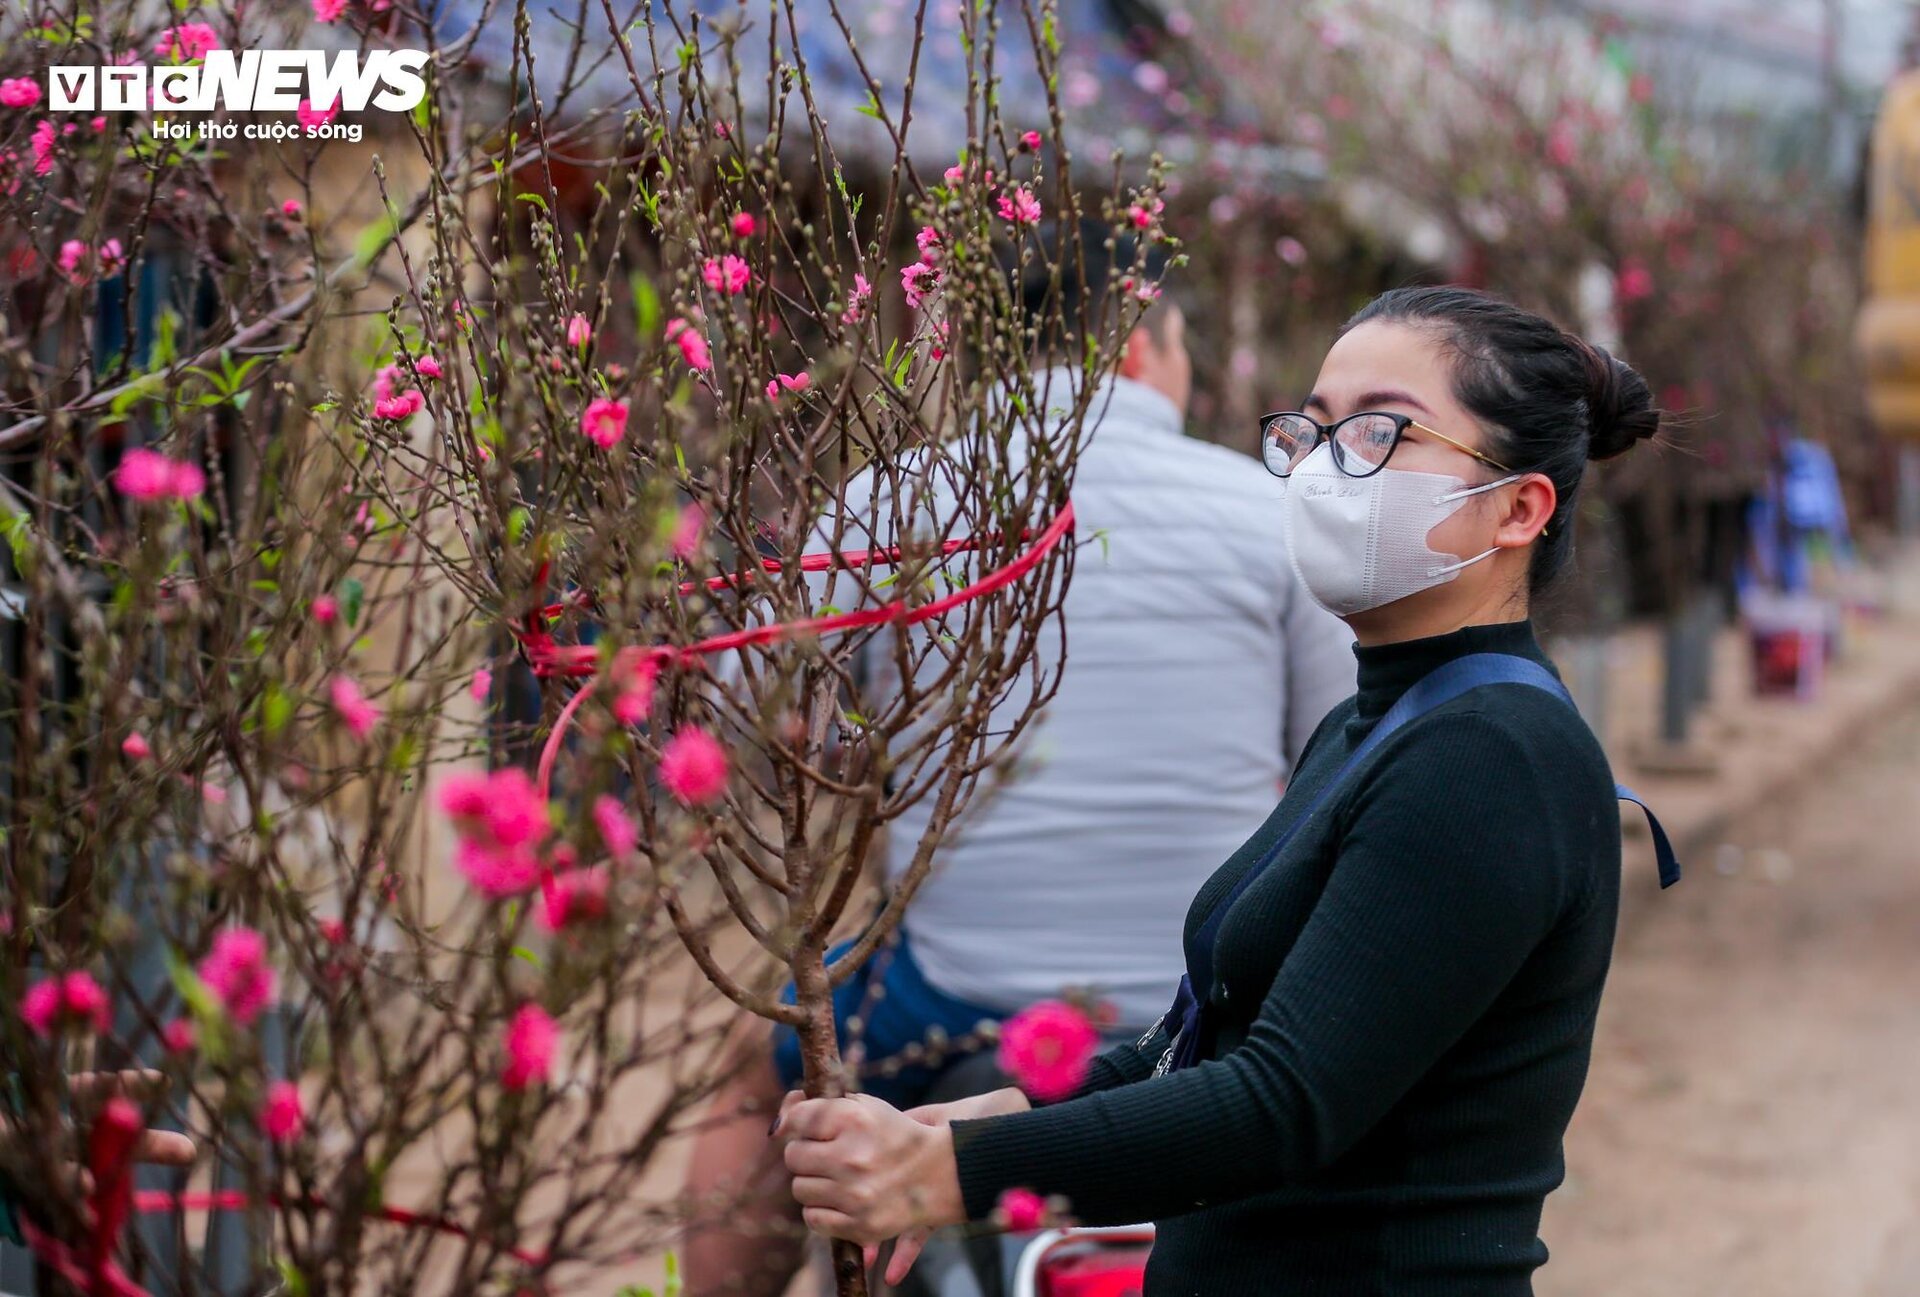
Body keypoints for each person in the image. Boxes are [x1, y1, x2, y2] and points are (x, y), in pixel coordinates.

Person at [771, 285, 1671, 1295]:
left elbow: (1282, 1103)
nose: (1327, 465)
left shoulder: (1495, 757)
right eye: (1312, 429)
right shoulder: (1373, 722)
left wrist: (954, 1174)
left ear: (1518, 507)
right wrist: (1010, 1112)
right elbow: (1201, 1030)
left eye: (1379, 430)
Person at [683, 224, 1356, 1295]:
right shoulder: (1266, 511)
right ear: (1140, 346)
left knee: (748, 1089)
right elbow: (1338, 768)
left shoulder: (890, 506)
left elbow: (740, 740)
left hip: (954, 997)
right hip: (1202, 1000)